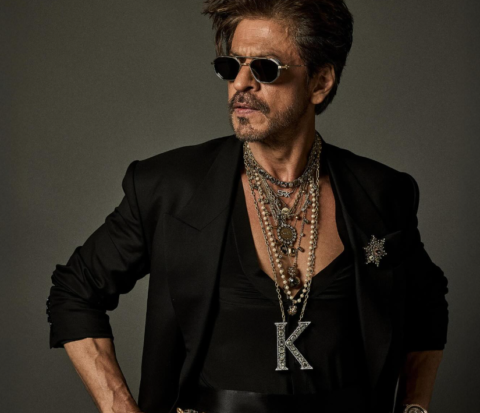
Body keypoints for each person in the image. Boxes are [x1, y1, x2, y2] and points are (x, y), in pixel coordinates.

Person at [46, 1, 449, 412]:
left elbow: (427, 306)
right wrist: (119, 406)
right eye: (231, 65)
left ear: (320, 82)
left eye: (265, 68)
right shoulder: (169, 189)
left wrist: (414, 407)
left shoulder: (382, 193)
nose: (241, 83)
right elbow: (75, 291)